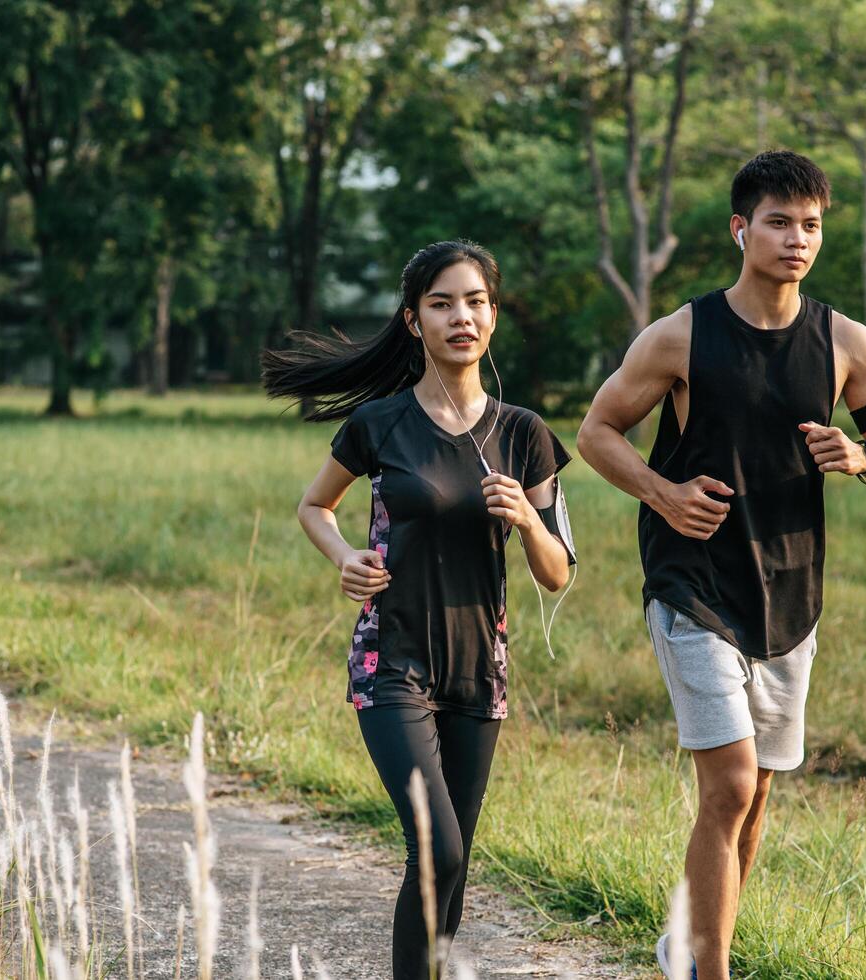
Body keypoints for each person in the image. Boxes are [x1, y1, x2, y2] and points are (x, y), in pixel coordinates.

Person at [575, 151, 866, 980]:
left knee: (755, 798)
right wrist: (662, 494)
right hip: (690, 583)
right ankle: (709, 972)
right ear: (740, 229)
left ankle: (689, 939)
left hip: (790, 593)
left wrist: (863, 457)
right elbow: (595, 432)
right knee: (730, 785)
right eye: (777, 222)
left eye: (809, 225)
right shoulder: (680, 335)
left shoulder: (846, 343)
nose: (795, 239)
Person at [262, 240, 575, 980]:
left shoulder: (523, 434)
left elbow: (557, 572)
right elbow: (315, 506)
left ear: (492, 316)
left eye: (474, 302)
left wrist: (527, 522)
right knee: (436, 847)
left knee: (452, 865)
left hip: (479, 671)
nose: (459, 316)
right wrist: (345, 559)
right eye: (441, 303)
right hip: (389, 660)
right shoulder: (380, 424)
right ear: (413, 321)